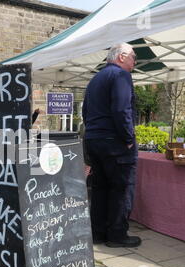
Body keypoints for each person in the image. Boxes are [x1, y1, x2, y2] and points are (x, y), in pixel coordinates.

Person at [82, 43, 141, 248]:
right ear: (122, 57)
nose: (135, 62)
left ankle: (98, 233)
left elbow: (85, 110)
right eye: (133, 57)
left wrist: (94, 133)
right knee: (122, 188)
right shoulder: (121, 76)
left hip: (94, 139)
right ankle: (117, 235)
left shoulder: (95, 78)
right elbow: (121, 109)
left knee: (100, 188)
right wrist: (128, 138)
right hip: (114, 142)